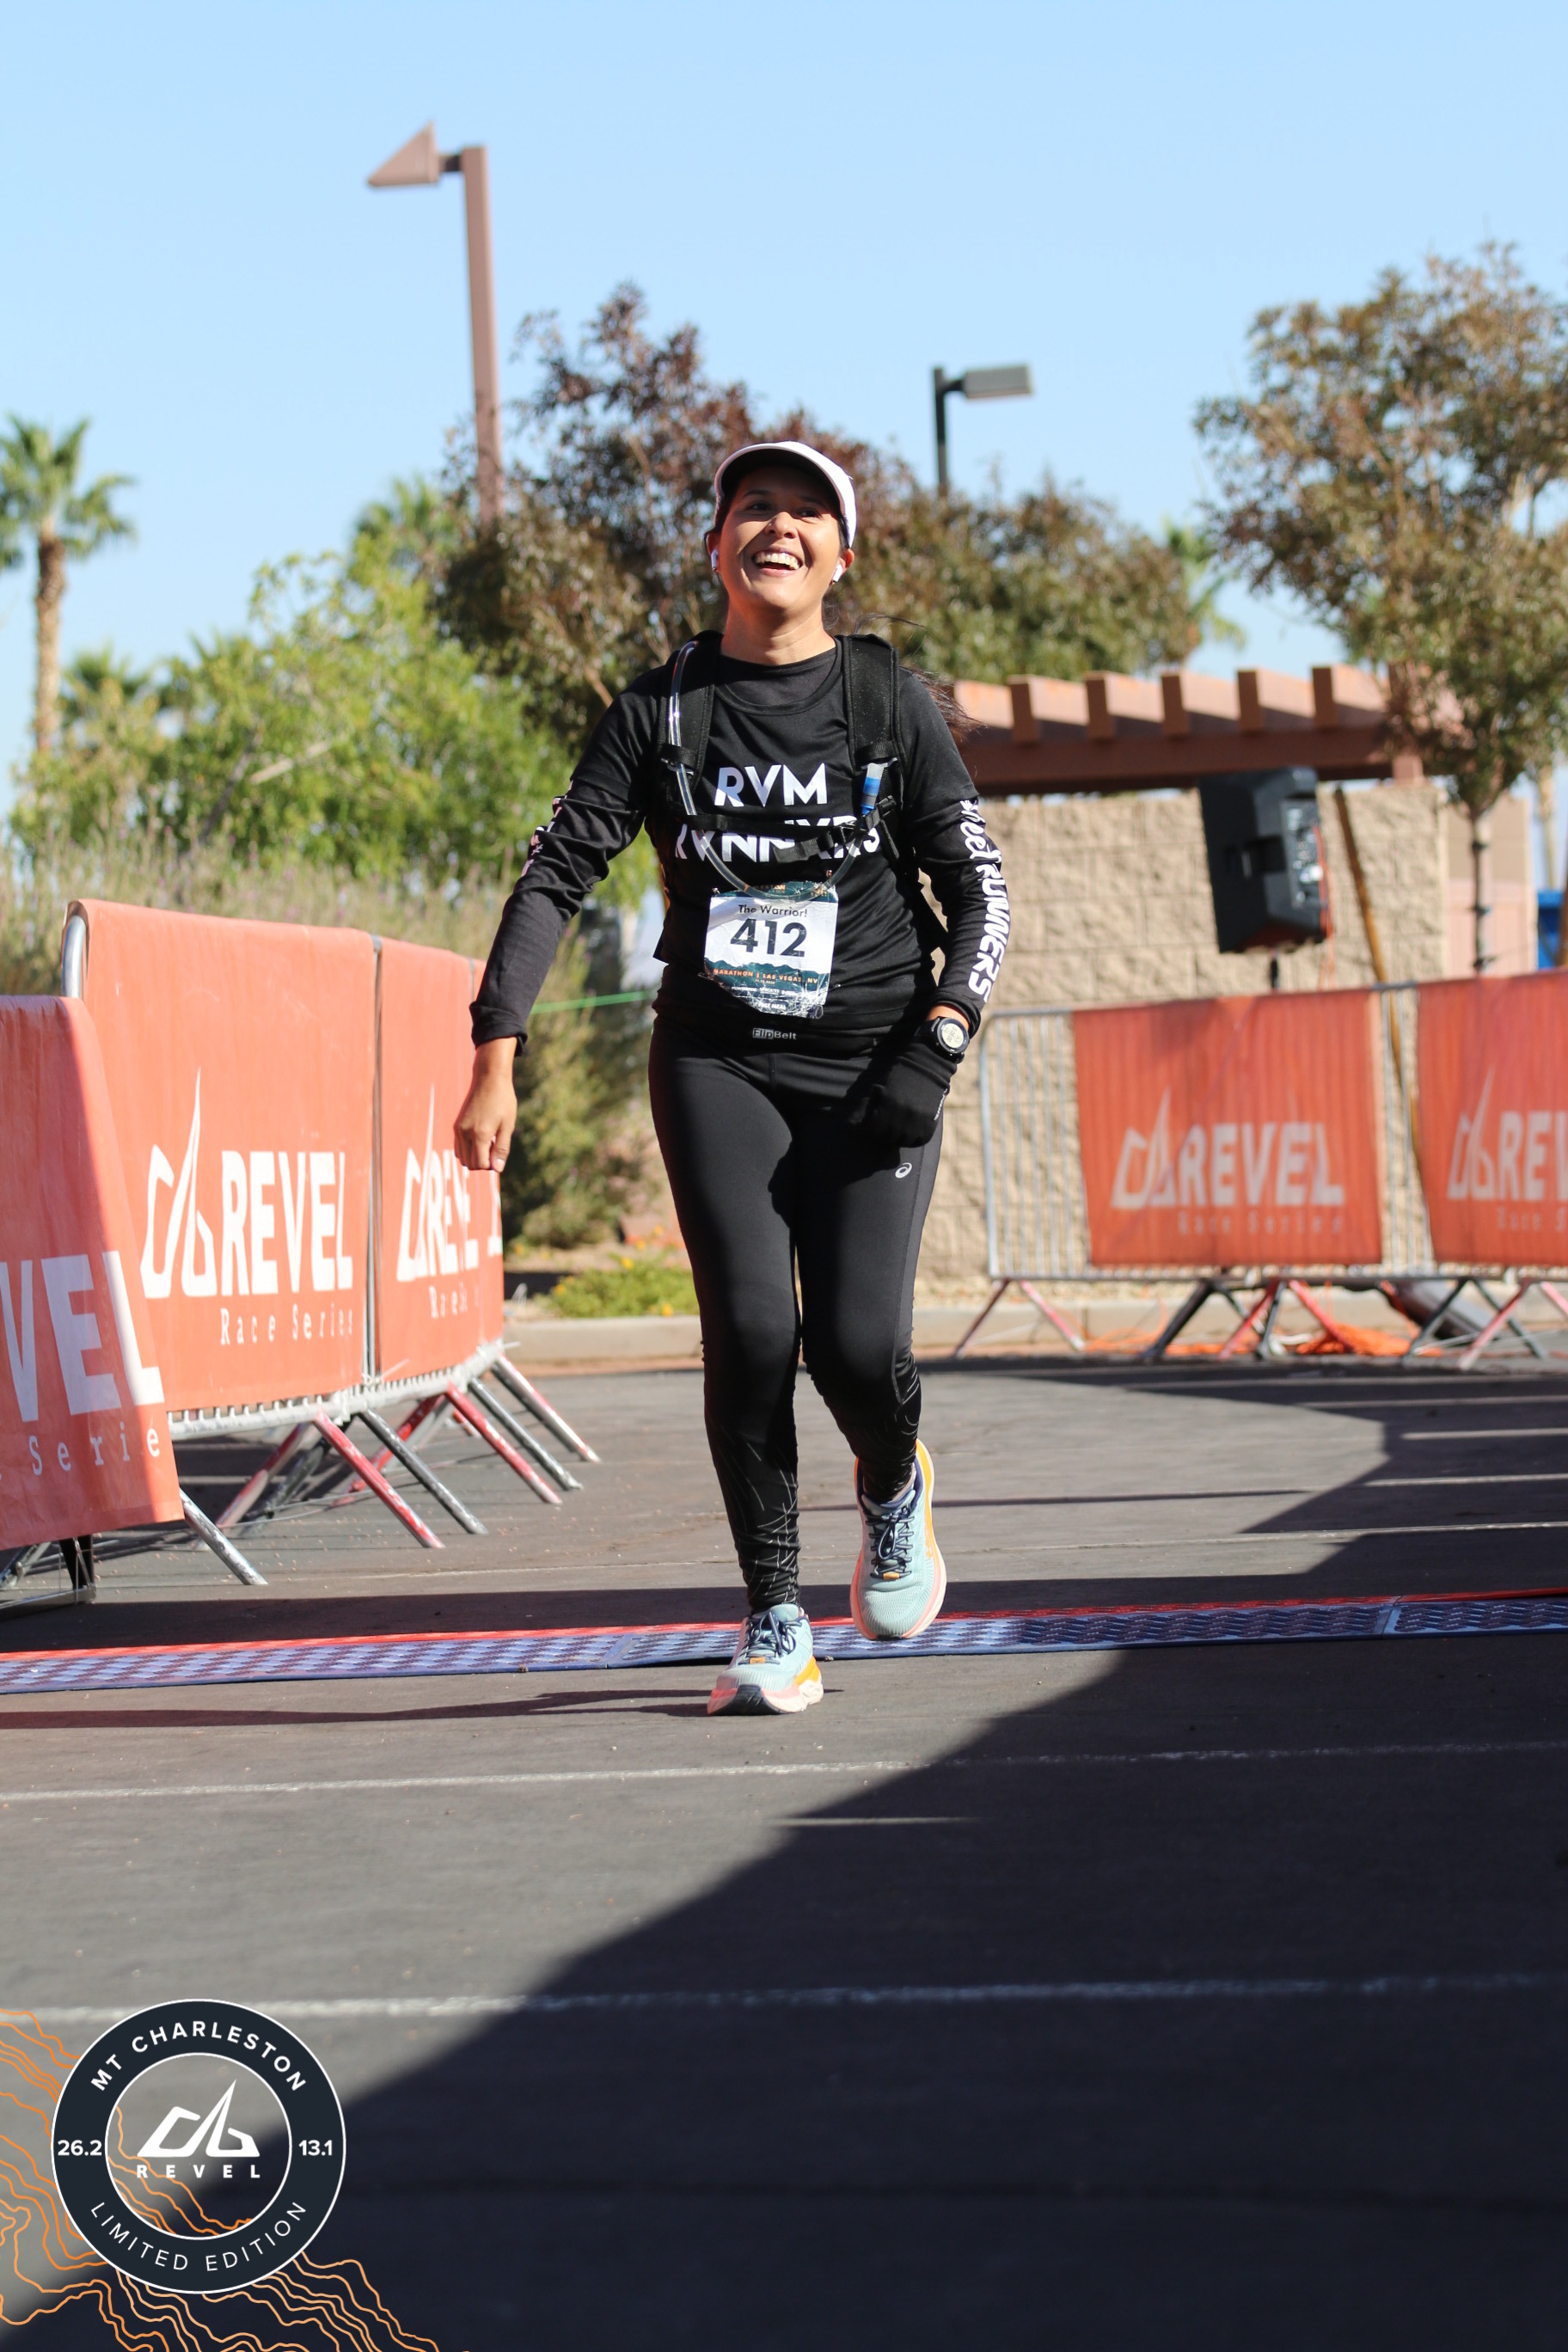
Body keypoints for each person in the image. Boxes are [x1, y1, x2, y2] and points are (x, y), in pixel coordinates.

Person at [455, 440, 1011, 1716]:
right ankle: (775, 1617)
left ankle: (894, 1481)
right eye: (755, 508)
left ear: (840, 556)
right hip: (718, 1058)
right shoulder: (660, 711)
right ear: (717, 547)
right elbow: (554, 876)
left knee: (858, 1351)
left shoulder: (885, 702)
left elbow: (980, 891)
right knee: (755, 1334)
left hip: (876, 1061)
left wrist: (939, 1039)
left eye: (807, 513)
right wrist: (498, 1051)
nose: (779, 528)